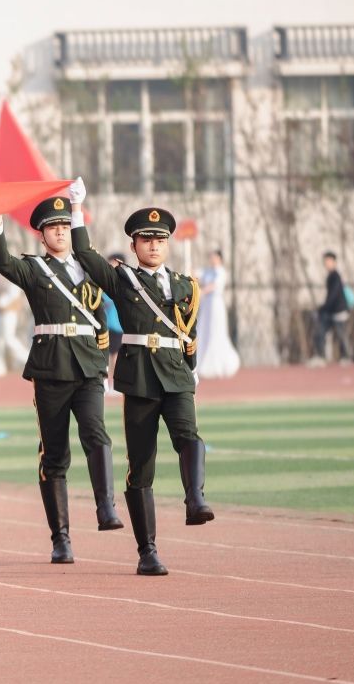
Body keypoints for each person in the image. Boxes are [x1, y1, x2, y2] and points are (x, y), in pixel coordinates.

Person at [69, 179, 212, 577]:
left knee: (189, 436)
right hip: (141, 378)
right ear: (133, 245)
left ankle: (195, 499)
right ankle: (147, 550)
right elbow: (85, 253)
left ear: (168, 243)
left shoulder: (187, 285)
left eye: (159, 239)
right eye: (145, 239)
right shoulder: (124, 280)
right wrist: (77, 209)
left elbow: (190, 332)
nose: (153, 245)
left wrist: (193, 368)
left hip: (177, 374)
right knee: (141, 466)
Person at [0, 195, 123, 564]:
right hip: (51, 367)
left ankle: (106, 507)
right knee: (55, 454)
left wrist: (101, 358)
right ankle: (61, 537)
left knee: (96, 433)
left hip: (87, 365)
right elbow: (3, 263)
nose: (61, 233)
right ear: (42, 236)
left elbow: (98, 317)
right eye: (54, 228)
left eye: (66, 227)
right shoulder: (35, 269)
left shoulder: (90, 267)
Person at [194, 250, 241, 380]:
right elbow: (196, 275)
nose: (212, 259)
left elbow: (213, 286)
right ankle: (201, 363)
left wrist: (202, 291)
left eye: (214, 257)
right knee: (204, 331)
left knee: (216, 332)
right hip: (206, 306)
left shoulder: (221, 272)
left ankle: (219, 365)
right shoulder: (208, 271)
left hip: (215, 305)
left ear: (220, 258)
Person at [312, 252, 354, 366]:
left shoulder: (335, 276)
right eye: (325, 261)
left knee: (341, 334)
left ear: (334, 262)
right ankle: (320, 356)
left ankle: (346, 357)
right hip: (330, 311)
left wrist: (323, 308)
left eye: (329, 261)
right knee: (320, 332)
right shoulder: (330, 276)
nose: (327, 263)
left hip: (338, 311)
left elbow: (333, 295)